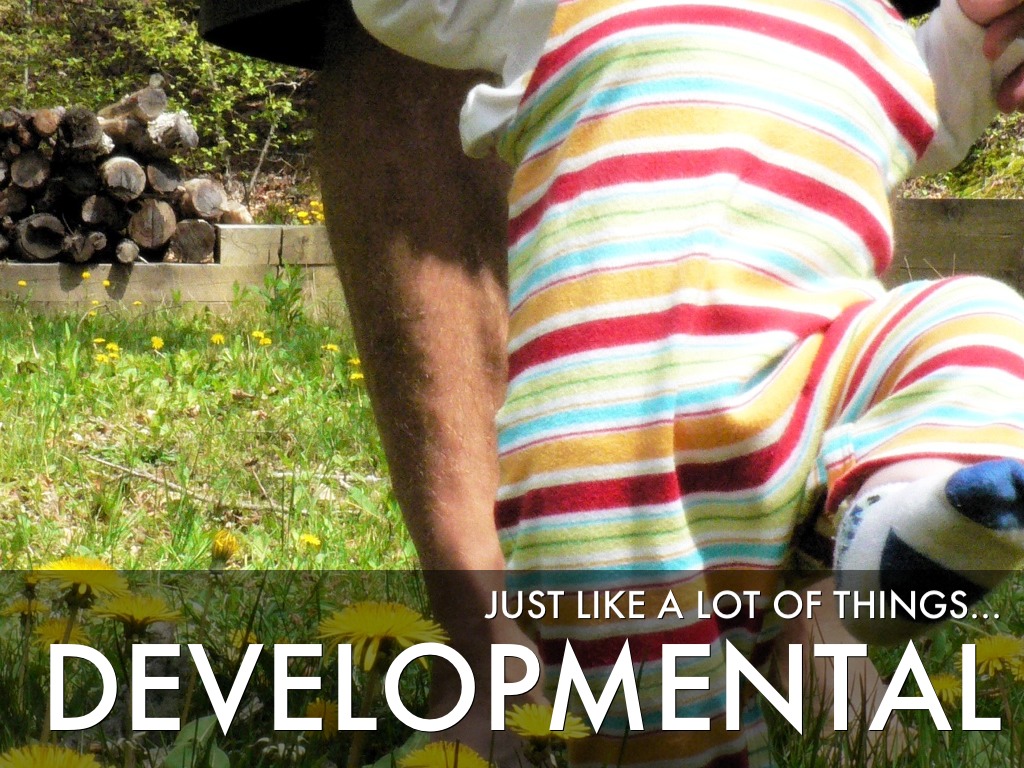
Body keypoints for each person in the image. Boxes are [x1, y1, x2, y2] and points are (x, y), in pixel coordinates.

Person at [338, 0, 1024, 764]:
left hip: (803, 409)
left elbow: (943, 95)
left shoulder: (867, 23)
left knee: (983, 321)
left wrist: (972, 26)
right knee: (671, 732)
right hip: (613, 472)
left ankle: (900, 532)